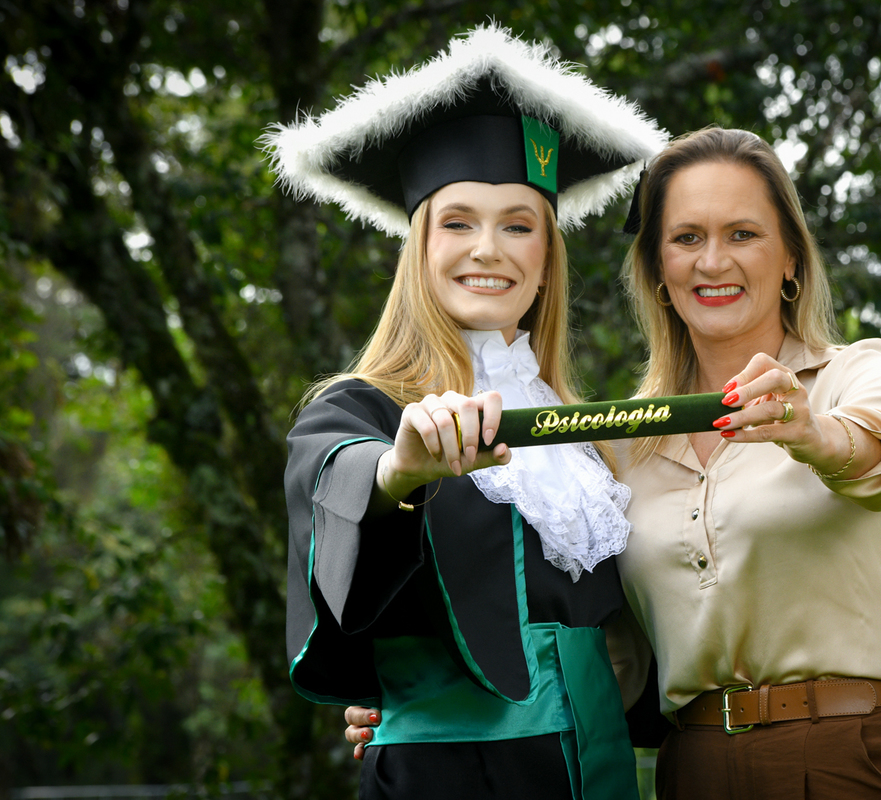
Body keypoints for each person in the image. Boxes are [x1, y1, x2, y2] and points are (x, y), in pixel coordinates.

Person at [347, 125, 881, 799]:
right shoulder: (618, 445)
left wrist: (811, 432)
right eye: (687, 238)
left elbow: (877, 451)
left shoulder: (857, 375)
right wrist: (432, 698)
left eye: (743, 235)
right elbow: (609, 652)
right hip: (693, 766)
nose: (713, 261)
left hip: (855, 752)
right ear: (660, 273)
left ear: (791, 259)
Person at [266, 25, 664, 800]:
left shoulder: (583, 435)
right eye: (458, 223)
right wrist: (401, 468)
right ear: (419, 247)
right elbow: (339, 478)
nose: (489, 248)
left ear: (547, 258)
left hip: (596, 767)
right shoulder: (362, 407)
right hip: (449, 780)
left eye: (519, 224)